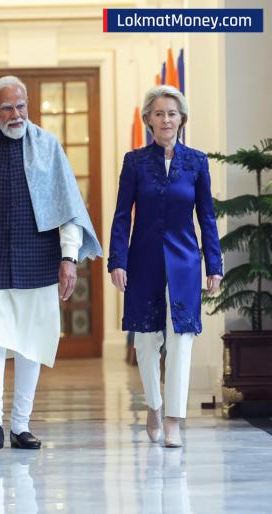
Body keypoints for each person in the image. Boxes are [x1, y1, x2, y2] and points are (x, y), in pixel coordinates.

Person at [0, 75, 102, 450]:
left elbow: (68, 208)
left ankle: (20, 425)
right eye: (7, 108)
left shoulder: (48, 146)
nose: (15, 115)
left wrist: (69, 258)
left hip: (38, 259)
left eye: (21, 106)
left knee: (32, 340)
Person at [108, 85, 223, 448]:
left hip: (185, 262)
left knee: (181, 339)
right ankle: (154, 406)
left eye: (172, 113)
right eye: (159, 113)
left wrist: (214, 264)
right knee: (146, 340)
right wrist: (117, 261)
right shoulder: (135, 162)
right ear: (148, 120)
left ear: (181, 119)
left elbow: (207, 216)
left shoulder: (197, 162)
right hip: (143, 261)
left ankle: (174, 418)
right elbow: (122, 215)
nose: (166, 119)